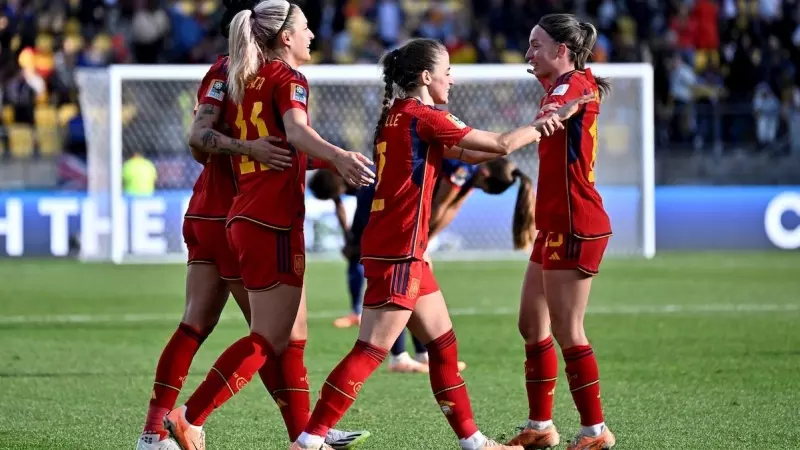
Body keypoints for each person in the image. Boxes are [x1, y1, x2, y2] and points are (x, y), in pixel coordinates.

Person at [292, 38, 591, 450]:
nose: (452, 78)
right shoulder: (424, 116)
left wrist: (513, 144)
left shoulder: (396, 115)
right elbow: (501, 145)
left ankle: (474, 442)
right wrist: (544, 123)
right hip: (399, 249)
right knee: (371, 350)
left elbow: (468, 155)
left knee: (443, 345)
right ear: (426, 77)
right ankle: (310, 439)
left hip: (399, 248)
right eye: (447, 71)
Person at [161, 2, 375, 450]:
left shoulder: (242, 76)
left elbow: (280, 145)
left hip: (248, 212)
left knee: (292, 335)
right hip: (270, 217)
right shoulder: (286, 78)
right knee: (268, 337)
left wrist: (336, 158)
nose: (313, 34)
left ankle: (305, 435)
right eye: (305, 28)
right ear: (285, 38)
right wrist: (337, 156)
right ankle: (189, 416)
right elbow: (294, 133)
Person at [506, 14, 616, 450]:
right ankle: (540, 426)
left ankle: (595, 432)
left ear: (561, 51)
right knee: (532, 324)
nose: (528, 52)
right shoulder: (564, 86)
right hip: (553, 223)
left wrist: (500, 144)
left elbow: (569, 104)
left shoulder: (572, 86)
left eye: (536, 44)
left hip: (575, 223)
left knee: (569, 329)